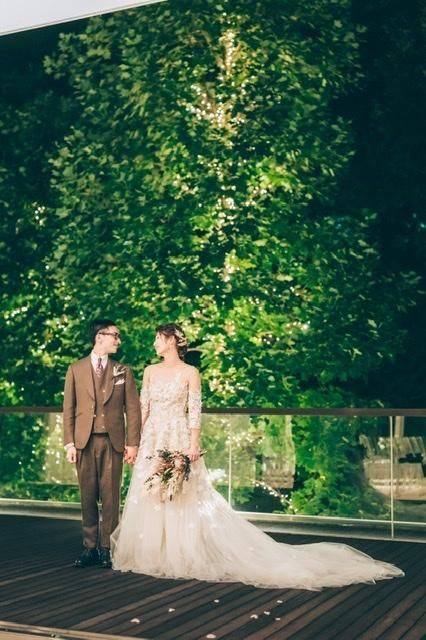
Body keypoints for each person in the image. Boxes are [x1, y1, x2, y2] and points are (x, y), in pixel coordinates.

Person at [111, 323, 404, 589]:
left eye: (158, 338)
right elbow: (142, 408)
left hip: (178, 434)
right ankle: (153, 552)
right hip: (152, 436)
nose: (155, 343)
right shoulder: (150, 371)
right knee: (150, 492)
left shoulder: (190, 373)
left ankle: (181, 554)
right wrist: (134, 441)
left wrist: (193, 445)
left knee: (182, 494)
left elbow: (195, 412)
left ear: (172, 341)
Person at [63, 319, 141, 568]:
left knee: (110, 497)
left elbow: (133, 409)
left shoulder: (123, 371)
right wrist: (69, 443)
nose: (118, 340)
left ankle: (107, 548)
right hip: (83, 442)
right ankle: (90, 548)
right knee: (87, 496)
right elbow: (69, 409)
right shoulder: (75, 369)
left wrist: (133, 443)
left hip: (113, 442)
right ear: (99, 337)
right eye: (114, 335)